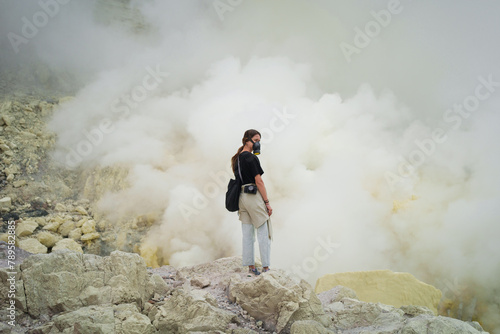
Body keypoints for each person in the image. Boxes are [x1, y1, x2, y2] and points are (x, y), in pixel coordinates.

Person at [231, 129, 273, 275]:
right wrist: (266, 202)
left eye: (259, 140)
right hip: (253, 196)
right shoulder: (251, 158)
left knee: (247, 233)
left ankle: (251, 267)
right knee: (263, 230)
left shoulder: (236, 158)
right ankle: (266, 267)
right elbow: (259, 181)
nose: (258, 143)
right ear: (246, 140)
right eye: (255, 140)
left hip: (241, 198)